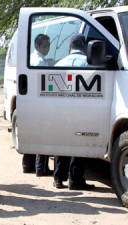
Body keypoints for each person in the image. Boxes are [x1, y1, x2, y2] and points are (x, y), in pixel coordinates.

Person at [53, 34, 95, 190]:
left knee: (61, 142)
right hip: (82, 110)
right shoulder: (88, 63)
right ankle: (76, 180)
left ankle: (58, 178)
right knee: (79, 142)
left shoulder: (59, 64)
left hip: (62, 111)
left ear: (70, 47)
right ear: (84, 47)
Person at [25, 34, 53, 177]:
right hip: (40, 102)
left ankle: (28, 165)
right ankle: (41, 168)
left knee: (33, 135)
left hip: (30, 101)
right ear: (37, 46)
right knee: (43, 136)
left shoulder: (30, 58)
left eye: (48, 46)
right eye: (44, 46)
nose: (47, 49)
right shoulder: (40, 61)